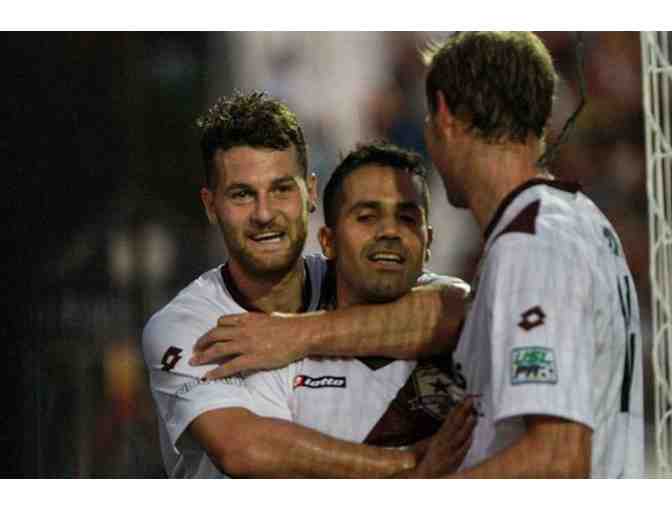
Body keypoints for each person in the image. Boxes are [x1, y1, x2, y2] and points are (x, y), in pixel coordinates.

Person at [195, 32, 644, 478]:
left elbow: (557, 461)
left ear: (444, 115)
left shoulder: (531, 243)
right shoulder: (577, 219)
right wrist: (301, 334)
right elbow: (447, 316)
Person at [142, 91, 471, 478]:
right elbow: (243, 448)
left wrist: (297, 334)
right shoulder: (187, 324)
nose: (264, 214)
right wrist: (407, 466)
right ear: (211, 205)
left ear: (310, 192)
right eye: (242, 194)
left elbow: (456, 309)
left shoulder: (350, 277)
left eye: (282, 189)